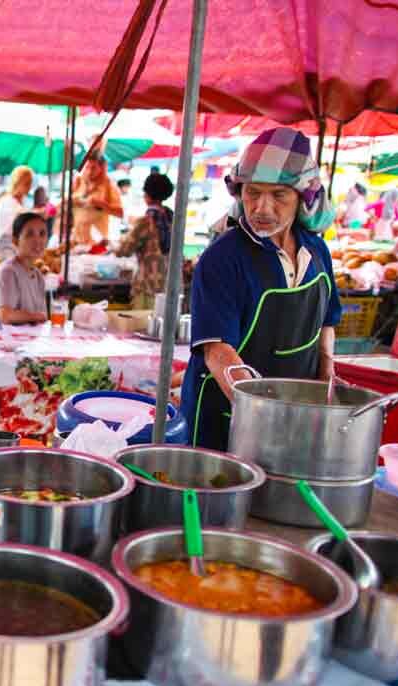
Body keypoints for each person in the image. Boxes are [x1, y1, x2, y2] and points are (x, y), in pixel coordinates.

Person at [182, 127, 342, 452]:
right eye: (253, 193)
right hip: (226, 416)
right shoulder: (223, 258)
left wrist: (327, 380)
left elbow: (327, 320)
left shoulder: (317, 251)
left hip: (294, 414)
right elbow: (218, 351)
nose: (262, 208)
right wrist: (263, 418)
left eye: (279, 195)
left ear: (303, 198)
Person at [115, 172, 175, 310]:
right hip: (170, 285)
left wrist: (112, 244)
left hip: (149, 284)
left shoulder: (146, 221)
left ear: (146, 194)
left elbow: (123, 250)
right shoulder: (173, 218)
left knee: (143, 327)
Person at [0, 212, 50, 325]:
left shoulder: (38, 275)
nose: (37, 240)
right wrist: (37, 316)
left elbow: (40, 319)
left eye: (42, 234)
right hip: (7, 341)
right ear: (15, 241)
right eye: (29, 234)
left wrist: (39, 317)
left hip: (29, 340)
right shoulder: (8, 272)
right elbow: (4, 315)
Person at [70, 147, 123, 244]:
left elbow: (120, 213)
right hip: (77, 239)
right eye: (87, 167)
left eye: (93, 168)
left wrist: (102, 205)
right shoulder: (78, 181)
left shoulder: (109, 185)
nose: (89, 171)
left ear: (101, 168)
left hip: (97, 242)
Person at [0, 165, 35, 259]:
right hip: (1, 248)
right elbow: (21, 216)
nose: (29, 187)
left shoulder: (25, 202)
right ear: (17, 182)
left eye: (30, 183)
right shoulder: (6, 201)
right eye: (26, 183)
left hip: (15, 249)